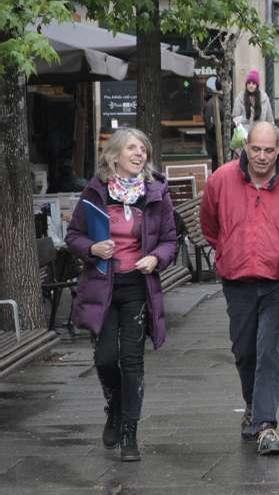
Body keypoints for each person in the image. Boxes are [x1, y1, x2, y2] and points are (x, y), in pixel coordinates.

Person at [65, 128, 177, 462]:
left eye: (143, 148)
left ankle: (130, 434)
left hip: (137, 287)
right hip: (102, 286)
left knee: (132, 361)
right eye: (132, 148)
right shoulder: (95, 192)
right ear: (115, 155)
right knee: (104, 360)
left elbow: (170, 239)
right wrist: (93, 248)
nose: (140, 153)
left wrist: (156, 257)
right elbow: (74, 236)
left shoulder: (156, 192)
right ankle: (115, 407)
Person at [200, 121, 279, 455]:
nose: (261, 157)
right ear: (245, 146)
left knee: (268, 349)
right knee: (245, 351)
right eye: (255, 149)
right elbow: (209, 224)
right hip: (238, 279)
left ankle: (265, 425)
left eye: (268, 150)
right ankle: (252, 405)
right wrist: (227, 249)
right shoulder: (221, 179)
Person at [202, 76, 223, 171]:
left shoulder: (220, 101)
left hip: (219, 144)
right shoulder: (212, 103)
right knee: (217, 168)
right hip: (216, 144)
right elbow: (211, 126)